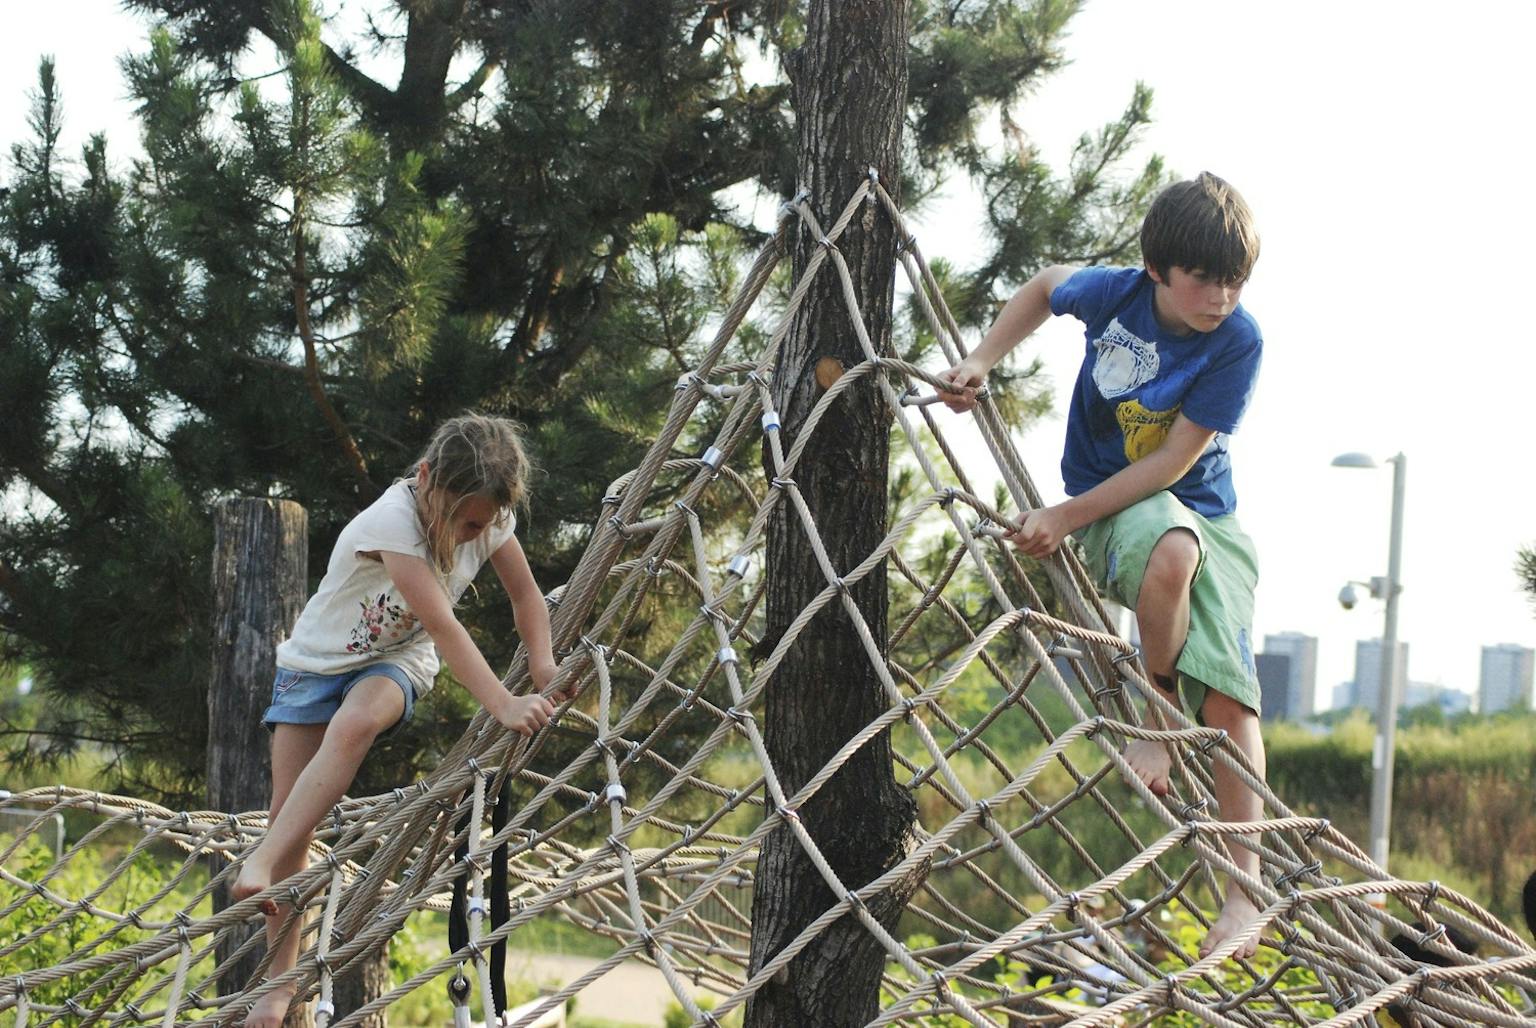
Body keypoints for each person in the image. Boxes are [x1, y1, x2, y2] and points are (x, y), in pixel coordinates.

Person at [938, 172, 1267, 961]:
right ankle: (1156, 718)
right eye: (1203, 279)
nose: (1220, 296)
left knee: (1231, 700)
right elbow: (1047, 287)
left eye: (1235, 280)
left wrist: (1057, 517)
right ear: (1158, 269)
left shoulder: (1238, 340)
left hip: (1203, 510)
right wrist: (981, 356)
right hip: (1117, 508)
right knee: (1169, 550)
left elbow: (1173, 464)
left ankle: (1246, 893)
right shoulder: (1116, 296)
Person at [231, 413, 562, 1026]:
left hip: (395, 662)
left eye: (483, 523)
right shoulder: (393, 521)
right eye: (465, 520)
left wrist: (541, 668)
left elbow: (525, 598)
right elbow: (444, 620)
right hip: (312, 667)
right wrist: (503, 702)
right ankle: (277, 987)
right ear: (427, 478)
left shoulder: (489, 520)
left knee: (356, 725)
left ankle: (263, 866)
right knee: (290, 827)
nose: (472, 535)